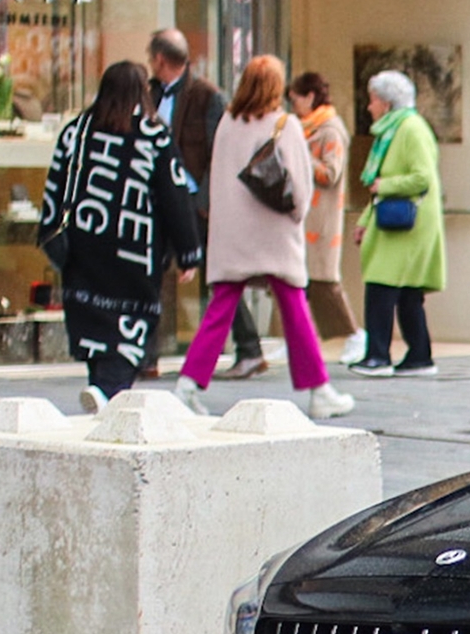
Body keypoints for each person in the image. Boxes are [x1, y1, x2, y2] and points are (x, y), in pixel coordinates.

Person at [171, 56, 353, 420]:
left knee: (221, 307)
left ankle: (187, 385)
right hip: (274, 231)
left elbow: (218, 176)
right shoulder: (285, 125)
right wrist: (296, 218)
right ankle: (319, 390)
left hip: (231, 233)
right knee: (294, 308)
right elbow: (300, 189)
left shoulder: (227, 123)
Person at [41, 61, 200, 411]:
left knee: (93, 324)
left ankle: (99, 387)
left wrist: (49, 233)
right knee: (131, 327)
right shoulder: (153, 135)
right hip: (133, 250)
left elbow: (54, 186)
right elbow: (175, 195)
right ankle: (107, 391)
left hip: (84, 246)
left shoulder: (76, 130)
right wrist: (188, 251)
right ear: (141, 92)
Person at [149, 28, 266, 380]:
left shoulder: (206, 96)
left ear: (159, 59)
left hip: (195, 203)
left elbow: (222, 152)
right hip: (161, 199)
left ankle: (249, 348)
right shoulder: (150, 93)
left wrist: (205, 201)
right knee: (152, 271)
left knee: (218, 276)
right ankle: (146, 357)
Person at [353, 69, 445, 378]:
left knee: (381, 284)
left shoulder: (411, 129)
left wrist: (386, 185)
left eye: (374, 100)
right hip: (397, 219)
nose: (370, 107)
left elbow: (422, 177)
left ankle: (378, 355)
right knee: (406, 290)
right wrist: (366, 219)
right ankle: (419, 355)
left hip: (410, 222)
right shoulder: (394, 130)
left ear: (388, 103)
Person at [286, 71, 359, 356]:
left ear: (310, 97)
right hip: (304, 215)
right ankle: (297, 339)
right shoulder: (302, 128)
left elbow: (331, 172)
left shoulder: (329, 130)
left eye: (296, 100)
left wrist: (302, 155)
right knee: (302, 281)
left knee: (324, 281)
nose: (293, 106)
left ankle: (352, 334)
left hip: (322, 217)